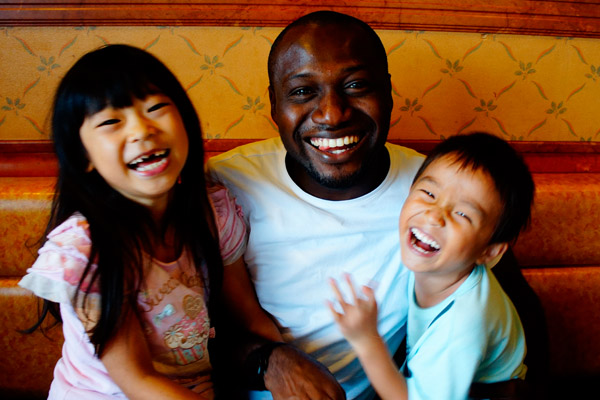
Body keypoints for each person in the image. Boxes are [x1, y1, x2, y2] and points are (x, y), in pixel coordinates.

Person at [207, 10, 547, 400]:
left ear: (387, 93)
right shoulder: (227, 184)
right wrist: (268, 361)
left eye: (355, 86)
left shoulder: (434, 192)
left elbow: (517, 318)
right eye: (302, 91)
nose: (332, 114)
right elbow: (182, 328)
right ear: (274, 104)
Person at [19, 44, 281, 400]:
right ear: (83, 157)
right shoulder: (86, 250)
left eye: (156, 108)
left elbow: (250, 318)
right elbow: (136, 379)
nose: (142, 130)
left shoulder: (212, 213)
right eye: (111, 122)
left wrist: (288, 363)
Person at [329, 132, 533, 400]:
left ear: (490, 251)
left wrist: (366, 340)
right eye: (428, 193)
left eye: (463, 213)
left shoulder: (462, 323)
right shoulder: (439, 264)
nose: (435, 215)